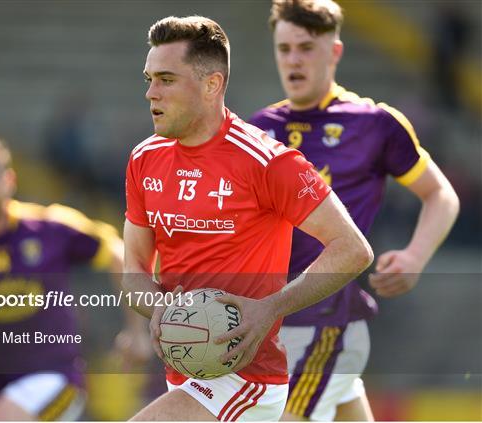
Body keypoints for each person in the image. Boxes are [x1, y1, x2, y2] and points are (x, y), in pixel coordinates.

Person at [122, 15, 374, 421]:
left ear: (211, 84)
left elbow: (352, 249)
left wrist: (270, 309)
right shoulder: (144, 158)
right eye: (149, 79)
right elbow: (132, 266)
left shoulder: (268, 161)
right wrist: (156, 309)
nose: (151, 93)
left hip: (246, 379)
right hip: (185, 373)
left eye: (166, 79)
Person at [249, 1, 460, 421]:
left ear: (335, 52)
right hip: (273, 322)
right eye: (284, 48)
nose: (293, 59)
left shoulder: (374, 123)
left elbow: (440, 194)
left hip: (327, 320)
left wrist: (415, 256)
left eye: (306, 48)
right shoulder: (258, 129)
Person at [0, 131, 130, 420]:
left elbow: (117, 251)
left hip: (56, 380)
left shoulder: (49, 226)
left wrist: (137, 327)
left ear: (9, 181)